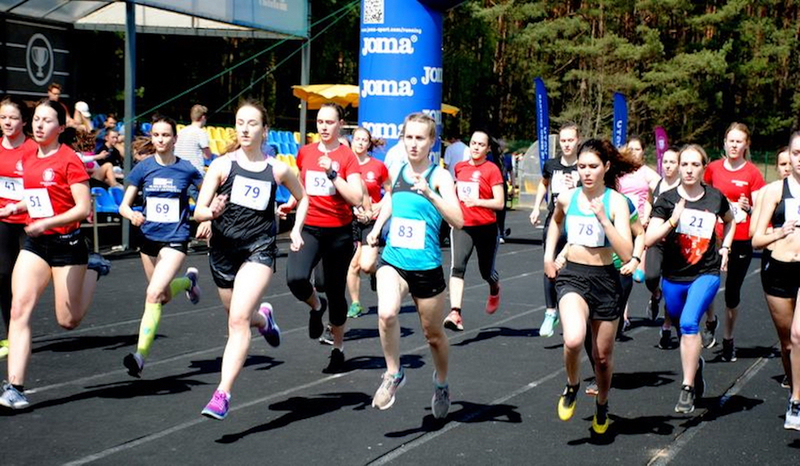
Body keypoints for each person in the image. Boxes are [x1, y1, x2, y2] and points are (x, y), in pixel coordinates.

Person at [193, 99, 307, 420]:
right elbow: (198, 210)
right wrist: (210, 212)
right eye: (240, 123)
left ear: (264, 130)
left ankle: (222, 393)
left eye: (252, 123)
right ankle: (265, 320)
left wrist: (295, 226)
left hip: (259, 249)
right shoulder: (222, 166)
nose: (244, 128)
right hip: (223, 250)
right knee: (240, 315)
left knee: (237, 321)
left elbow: (304, 196)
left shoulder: (277, 169)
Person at [0, 99, 111, 410]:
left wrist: (47, 221)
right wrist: (17, 207)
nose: (38, 125)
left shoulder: (69, 160)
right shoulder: (29, 156)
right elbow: (36, 196)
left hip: (68, 245)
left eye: (46, 121)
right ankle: (14, 387)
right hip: (37, 245)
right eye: (36, 119)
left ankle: (93, 269)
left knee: (68, 321)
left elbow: (82, 208)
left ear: (61, 128)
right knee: (19, 308)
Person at [368, 112, 463, 418]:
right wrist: (375, 227)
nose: (413, 144)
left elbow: (458, 220)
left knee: (433, 336)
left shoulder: (440, 176)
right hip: (394, 259)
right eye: (408, 137)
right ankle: (394, 373)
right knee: (386, 312)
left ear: (432, 142)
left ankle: (442, 382)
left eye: (420, 138)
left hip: (427, 266)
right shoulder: (396, 169)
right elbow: (392, 201)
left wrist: (430, 194)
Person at [544, 138, 636, 434]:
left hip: (606, 280)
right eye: (581, 166)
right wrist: (549, 257)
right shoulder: (568, 198)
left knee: (602, 358)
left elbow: (625, 252)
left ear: (606, 168)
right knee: (573, 339)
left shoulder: (617, 202)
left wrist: (603, 219)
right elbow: (555, 224)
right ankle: (572, 385)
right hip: (573, 276)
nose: (586, 172)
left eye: (593, 166)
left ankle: (602, 404)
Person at [646, 144, 735, 413]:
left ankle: (686, 388)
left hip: (705, 273)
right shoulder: (666, 199)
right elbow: (649, 239)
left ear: (703, 168)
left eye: (695, 165)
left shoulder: (715, 198)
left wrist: (725, 248)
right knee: (681, 326)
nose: (688, 169)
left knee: (687, 323)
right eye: (684, 164)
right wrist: (673, 220)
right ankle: (696, 369)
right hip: (673, 277)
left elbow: (731, 221)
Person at [117, 115, 204, 377]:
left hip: (175, 238)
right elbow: (124, 205)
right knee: (162, 296)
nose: (161, 139)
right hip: (148, 239)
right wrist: (132, 215)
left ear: (175, 139)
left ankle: (140, 355)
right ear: (152, 137)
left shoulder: (187, 169)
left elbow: (205, 195)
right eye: (156, 135)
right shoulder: (143, 169)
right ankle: (188, 283)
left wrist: (206, 215)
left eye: (166, 135)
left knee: (153, 294)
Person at [283, 103, 362, 374]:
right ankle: (317, 306)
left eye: (330, 122)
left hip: (339, 231)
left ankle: (337, 349)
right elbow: (302, 186)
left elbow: (356, 197)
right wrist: (292, 204)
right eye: (320, 122)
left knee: (334, 288)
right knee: (295, 278)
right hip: (309, 226)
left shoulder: (347, 156)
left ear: (340, 124)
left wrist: (333, 173)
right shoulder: (304, 152)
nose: (324, 127)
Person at [702, 123, 765, 360]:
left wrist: (748, 208)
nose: (734, 145)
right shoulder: (713, 169)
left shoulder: (752, 173)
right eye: (731, 140)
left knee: (732, 292)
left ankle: (728, 339)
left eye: (739, 141)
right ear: (725, 142)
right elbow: (703, 195)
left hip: (740, 237)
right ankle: (710, 321)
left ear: (746, 144)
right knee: (706, 282)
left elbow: (760, 207)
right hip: (714, 236)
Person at [752, 134, 800, 429]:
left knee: (798, 335)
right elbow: (757, 239)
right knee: (787, 343)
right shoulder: (774, 191)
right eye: (797, 153)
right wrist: (781, 232)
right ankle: (794, 384)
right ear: (790, 157)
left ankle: (796, 399)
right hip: (778, 269)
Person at [443, 130, 504, 332]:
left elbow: (500, 203)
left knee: (486, 272)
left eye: (480, 144)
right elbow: (454, 191)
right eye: (473, 143)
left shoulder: (492, 170)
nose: (476, 147)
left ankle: (494, 287)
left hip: (486, 227)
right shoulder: (460, 168)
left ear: (487, 149)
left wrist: (477, 202)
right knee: (457, 267)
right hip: (463, 226)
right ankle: (455, 313)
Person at [530, 123, 580, 338]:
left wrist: (576, 186)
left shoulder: (584, 166)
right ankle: (551, 312)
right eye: (563, 140)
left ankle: (575, 309)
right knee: (549, 262)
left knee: (573, 266)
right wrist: (535, 207)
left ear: (578, 141)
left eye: (570, 140)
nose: (567, 144)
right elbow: (544, 183)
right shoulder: (551, 164)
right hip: (554, 220)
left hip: (577, 221)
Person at [0, 96, 36, 359]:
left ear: (24, 121)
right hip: (3, 218)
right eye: (3, 117)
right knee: (3, 276)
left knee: (34, 278)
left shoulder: (33, 149)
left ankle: (87, 265)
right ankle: (11, 335)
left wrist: (21, 205)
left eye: (12, 117)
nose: (7, 122)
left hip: (30, 218)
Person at [346, 127, 390, 319]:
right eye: (357, 139)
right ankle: (355, 303)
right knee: (353, 264)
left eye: (364, 140)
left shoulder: (378, 166)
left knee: (366, 265)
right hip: (350, 219)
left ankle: (374, 272)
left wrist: (379, 206)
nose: (361, 143)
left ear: (369, 143)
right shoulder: (344, 164)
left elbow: (390, 190)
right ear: (352, 141)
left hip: (371, 220)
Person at [644, 147, 681, 349]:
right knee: (650, 277)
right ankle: (655, 294)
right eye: (665, 162)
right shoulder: (657, 184)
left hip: (675, 244)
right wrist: (646, 217)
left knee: (671, 287)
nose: (667, 166)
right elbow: (650, 202)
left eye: (672, 162)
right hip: (657, 241)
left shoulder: (683, 188)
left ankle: (666, 328)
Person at [174, 104, 213, 175]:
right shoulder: (201, 133)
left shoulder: (181, 131)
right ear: (203, 117)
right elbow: (207, 156)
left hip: (179, 170)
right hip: (194, 172)